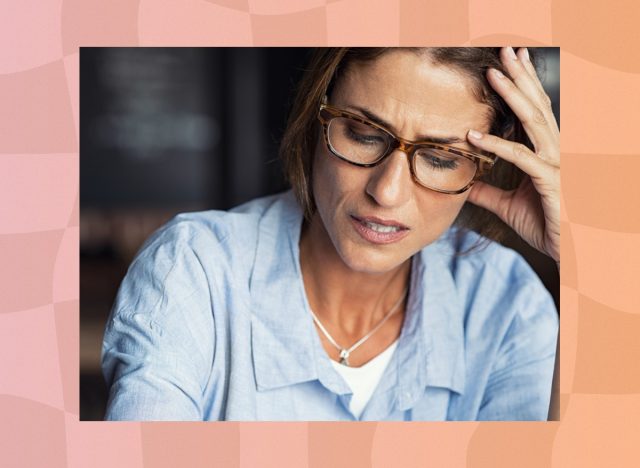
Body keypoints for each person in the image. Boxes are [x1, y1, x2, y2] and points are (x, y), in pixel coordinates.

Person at [102, 47, 559, 421]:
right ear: (314, 119)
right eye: (363, 134)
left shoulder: (505, 305)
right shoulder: (194, 270)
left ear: (485, 168)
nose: (387, 192)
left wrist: (584, 263)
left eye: (440, 159)